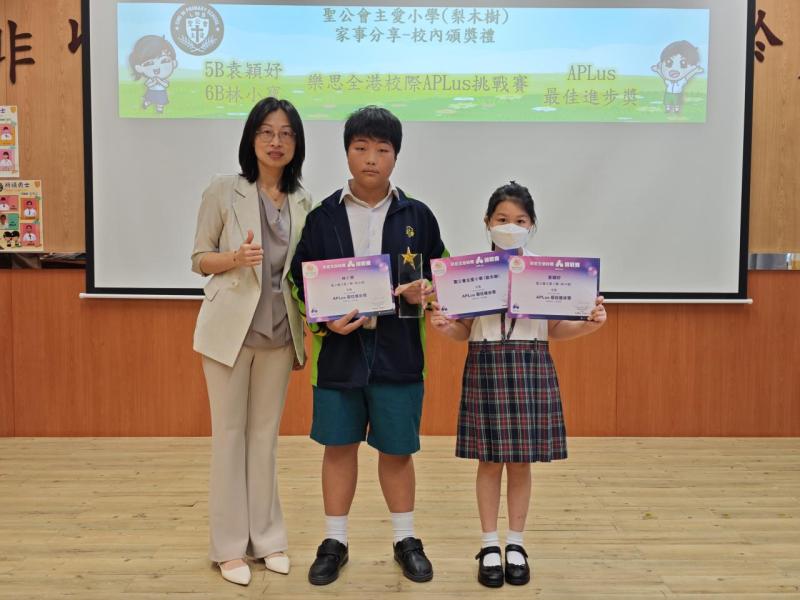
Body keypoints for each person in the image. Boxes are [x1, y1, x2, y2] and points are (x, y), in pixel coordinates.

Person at [289, 106, 447, 585]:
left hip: (400, 352)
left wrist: (428, 290)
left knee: (397, 451)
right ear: (347, 153)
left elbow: (443, 274)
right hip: (339, 354)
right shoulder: (322, 217)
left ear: (396, 156)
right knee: (338, 447)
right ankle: (334, 541)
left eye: (382, 149)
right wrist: (323, 322)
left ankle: (406, 539)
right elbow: (299, 282)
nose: (371, 158)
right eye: (361, 148)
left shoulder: (418, 215)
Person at [430, 182, 607, 588]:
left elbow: (556, 330)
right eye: (502, 219)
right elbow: (462, 331)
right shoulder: (468, 272)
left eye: (520, 221)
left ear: (532, 225)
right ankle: (489, 544)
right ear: (487, 222)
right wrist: (443, 326)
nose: (511, 227)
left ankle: (516, 543)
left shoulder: (548, 272)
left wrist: (589, 324)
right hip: (485, 364)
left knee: (522, 462)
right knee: (489, 461)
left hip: (531, 362)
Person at [191, 97, 311, 586]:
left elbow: (303, 273)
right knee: (229, 436)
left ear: (296, 143)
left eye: (286, 133)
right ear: (251, 138)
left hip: (280, 334)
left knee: (265, 439)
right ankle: (228, 547)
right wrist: (234, 259)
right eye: (266, 132)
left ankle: (267, 538)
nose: (276, 142)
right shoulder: (225, 190)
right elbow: (199, 258)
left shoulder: (303, 200)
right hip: (229, 334)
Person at [651, 40, 704, 114]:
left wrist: (695, 71)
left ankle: (676, 110)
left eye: (683, 63)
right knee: (667, 102)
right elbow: (663, 76)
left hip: (677, 94)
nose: (675, 68)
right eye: (668, 62)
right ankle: (668, 109)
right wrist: (658, 70)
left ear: (693, 66)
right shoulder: (668, 82)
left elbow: (688, 76)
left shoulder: (681, 82)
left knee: (677, 103)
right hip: (669, 94)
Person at [129, 35, 178, 113]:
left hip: (161, 92)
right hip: (151, 91)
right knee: (149, 100)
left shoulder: (163, 79)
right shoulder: (151, 79)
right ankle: (146, 104)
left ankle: (159, 109)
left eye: (164, 61)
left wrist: (159, 81)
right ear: (139, 68)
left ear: (173, 63)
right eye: (149, 63)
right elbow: (147, 84)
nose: (157, 68)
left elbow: (166, 85)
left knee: (160, 102)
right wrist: (154, 82)